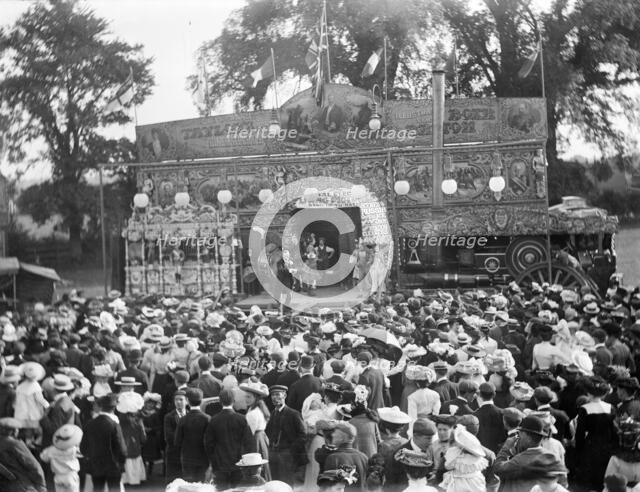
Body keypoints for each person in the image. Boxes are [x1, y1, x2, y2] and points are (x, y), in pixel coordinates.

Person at [204, 388, 256, 490]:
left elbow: (208, 444)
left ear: (220, 401)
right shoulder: (241, 419)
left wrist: (214, 461)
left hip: (220, 464)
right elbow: (249, 443)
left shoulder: (214, 419)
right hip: (239, 464)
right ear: (234, 401)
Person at [575, 375, 617, 490]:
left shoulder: (584, 409)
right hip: (607, 446)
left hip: (591, 445)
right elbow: (614, 431)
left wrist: (579, 450)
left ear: (588, 392)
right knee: (603, 474)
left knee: (591, 478)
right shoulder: (610, 407)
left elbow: (580, 434)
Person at [80, 394, 127, 492]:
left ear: (101, 406)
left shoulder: (90, 424)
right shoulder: (114, 425)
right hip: (113, 465)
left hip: (96, 465)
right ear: (113, 408)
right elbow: (121, 448)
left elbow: (83, 447)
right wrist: (121, 462)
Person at [266, 385, 307, 485]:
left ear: (284, 395)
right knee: (275, 483)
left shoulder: (293, 414)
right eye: (272, 395)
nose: (274, 398)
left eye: (277, 394)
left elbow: (303, 435)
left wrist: (291, 450)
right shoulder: (272, 414)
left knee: (286, 483)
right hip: (273, 455)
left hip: (287, 457)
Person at [175, 388, 210, 482]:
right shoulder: (207, 419)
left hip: (187, 458)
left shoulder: (183, 420)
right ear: (201, 401)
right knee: (201, 485)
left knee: (189, 485)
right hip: (203, 458)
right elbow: (210, 441)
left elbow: (177, 441)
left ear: (187, 401)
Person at [439, 424, 488, 491]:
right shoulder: (478, 458)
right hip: (476, 482)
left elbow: (447, 466)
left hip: (459, 483)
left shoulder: (454, 454)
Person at [240, 379, 272, 480]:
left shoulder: (253, 413)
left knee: (255, 467)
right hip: (261, 439)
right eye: (245, 396)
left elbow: (249, 434)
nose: (246, 399)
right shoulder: (256, 409)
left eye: (249, 397)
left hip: (255, 441)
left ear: (256, 398)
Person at [324, 422, 368, 492]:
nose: (332, 434)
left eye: (335, 432)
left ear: (342, 438)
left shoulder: (333, 458)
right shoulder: (364, 457)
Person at [40, 424, 82, 492]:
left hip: (58, 477)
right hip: (71, 476)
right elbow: (84, 454)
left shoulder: (51, 450)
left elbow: (43, 458)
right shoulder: (74, 450)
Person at [474, 382, 506, 453]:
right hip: (498, 453)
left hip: (480, 452)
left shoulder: (475, 414)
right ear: (494, 395)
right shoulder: (501, 413)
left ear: (480, 395)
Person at [163, 390, 187, 484]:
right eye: (176, 400)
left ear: (187, 401)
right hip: (173, 453)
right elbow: (169, 436)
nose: (178, 402)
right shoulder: (169, 417)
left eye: (181, 400)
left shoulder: (190, 415)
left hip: (187, 455)